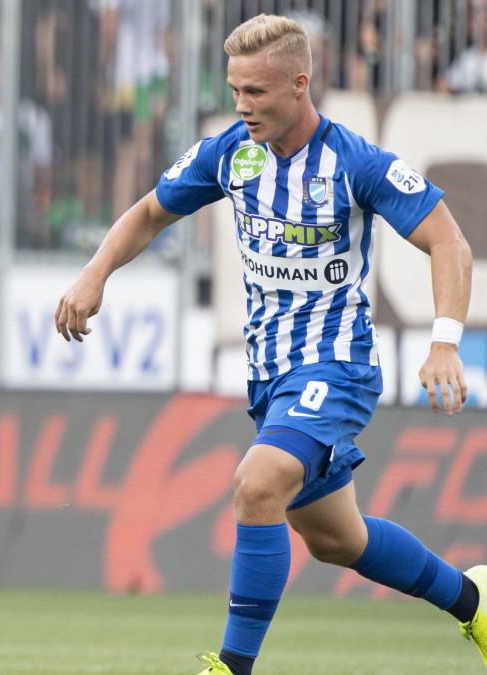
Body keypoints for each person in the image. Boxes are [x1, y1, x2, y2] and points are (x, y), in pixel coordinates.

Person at [53, 13, 487, 675]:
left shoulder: (354, 162)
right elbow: (148, 212)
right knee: (339, 539)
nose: (242, 106)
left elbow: (448, 241)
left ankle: (232, 666)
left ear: (299, 84)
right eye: (234, 91)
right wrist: (96, 271)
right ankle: (475, 602)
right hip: (271, 376)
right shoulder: (233, 153)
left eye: (255, 92)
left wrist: (445, 340)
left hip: (335, 364)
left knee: (257, 485)